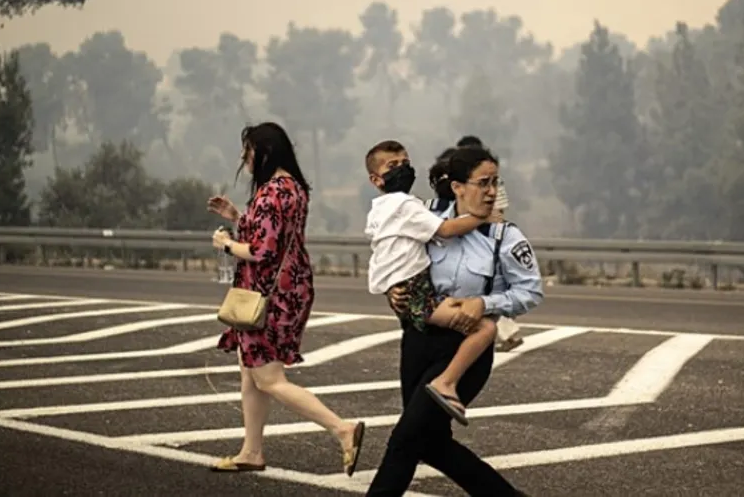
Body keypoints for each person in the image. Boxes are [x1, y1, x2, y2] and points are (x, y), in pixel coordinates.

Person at [366, 145, 543, 497]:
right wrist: (392, 292)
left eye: (495, 182)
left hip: (464, 352)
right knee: (429, 442)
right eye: (483, 183)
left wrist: (485, 302)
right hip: (417, 341)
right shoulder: (426, 216)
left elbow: (531, 292)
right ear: (458, 186)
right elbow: (394, 255)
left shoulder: (504, 237)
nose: (492, 191)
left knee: (405, 439)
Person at [206, 122, 366, 475]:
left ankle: (343, 430)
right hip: (290, 289)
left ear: (263, 151)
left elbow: (262, 251)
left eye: (248, 151)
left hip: (270, 295)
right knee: (250, 372)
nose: (244, 159)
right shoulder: (292, 188)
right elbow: (274, 235)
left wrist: (227, 244)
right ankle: (252, 451)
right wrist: (237, 217)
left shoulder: (270, 193)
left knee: (268, 378)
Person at [363, 139, 497, 425]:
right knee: (485, 328)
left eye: (405, 162)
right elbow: (446, 229)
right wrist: (481, 217)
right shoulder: (405, 205)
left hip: (411, 293)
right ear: (376, 179)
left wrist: (389, 290)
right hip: (416, 293)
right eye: (393, 165)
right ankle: (446, 382)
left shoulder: (378, 210)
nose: (403, 169)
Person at [454, 135, 523, 353]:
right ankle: (506, 332)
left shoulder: (484, 181)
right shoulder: (493, 180)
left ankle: (506, 332)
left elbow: (495, 211)